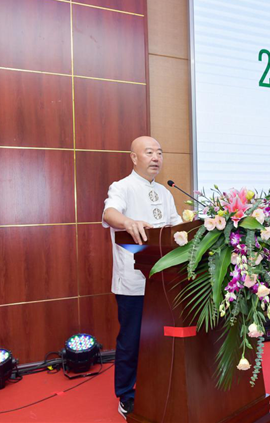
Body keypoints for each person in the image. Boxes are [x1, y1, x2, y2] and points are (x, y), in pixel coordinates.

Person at [102, 136, 182, 420]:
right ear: (134, 158)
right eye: (149, 152)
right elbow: (109, 213)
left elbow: (175, 226)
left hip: (165, 281)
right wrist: (128, 222)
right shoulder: (121, 187)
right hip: (133, 281)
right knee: (132, 340)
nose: (156, 157)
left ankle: (157, 386)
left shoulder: (165, 191)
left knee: (161, 339)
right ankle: (126, 394)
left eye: (159, 152)